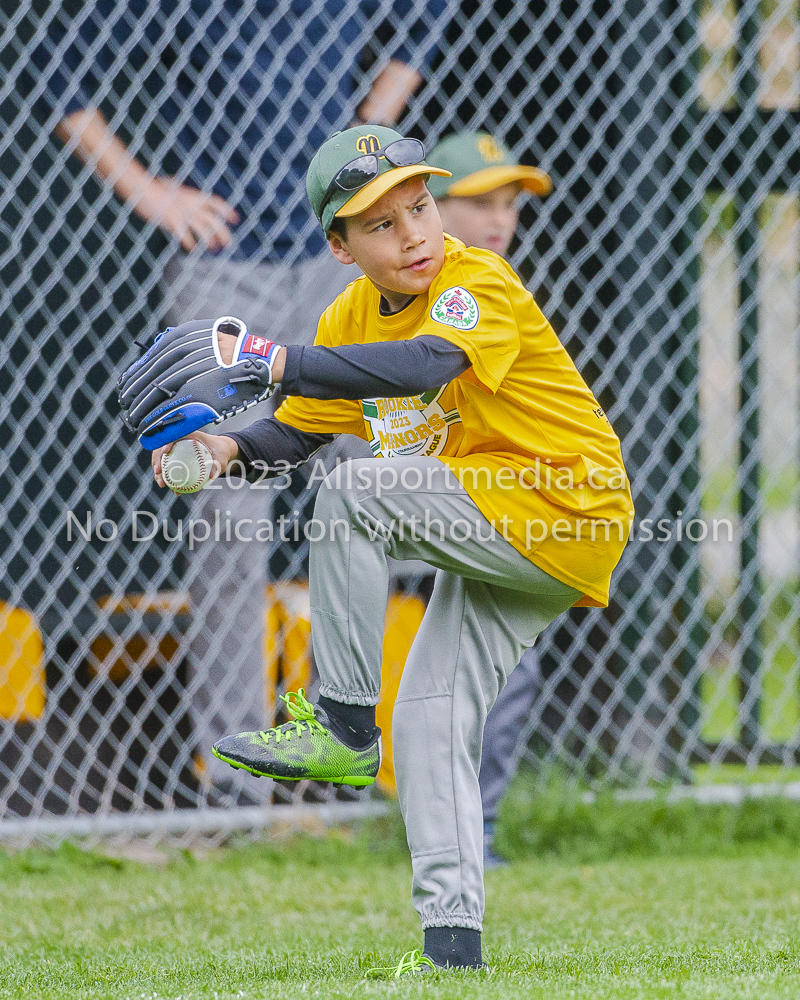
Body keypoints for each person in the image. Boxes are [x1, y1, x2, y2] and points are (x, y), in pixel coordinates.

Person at [149, 125, 633, 972]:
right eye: (380, 224)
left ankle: (340, 721)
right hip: (499, 527)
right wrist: (223, 450)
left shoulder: (474, 277)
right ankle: (454, 949)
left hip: (567, 504)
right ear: (340, 247)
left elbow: (418, 367)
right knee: (430, 720)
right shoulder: (347, 314)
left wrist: (271, 356)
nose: (413, 234)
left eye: (420, 205)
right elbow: (296, 431)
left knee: (357, 491)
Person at [39, 1, 444, 795]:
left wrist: (369, 126)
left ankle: (378, 749)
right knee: (229, 508)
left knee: (382, 488)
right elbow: (60, 79)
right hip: (229, 268)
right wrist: (150, 193)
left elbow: (424, 23)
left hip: (335, 261)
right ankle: (234, 780)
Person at [426, 130, 553, 866]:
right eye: (478, 203)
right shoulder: (428, 295)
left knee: (509, 666)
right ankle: (454, 831)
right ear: (428, 212)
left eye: (508, 203)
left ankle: (477, 829)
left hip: (503, 507)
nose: (499, 218)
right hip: (429, 500)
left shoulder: (500, 291)